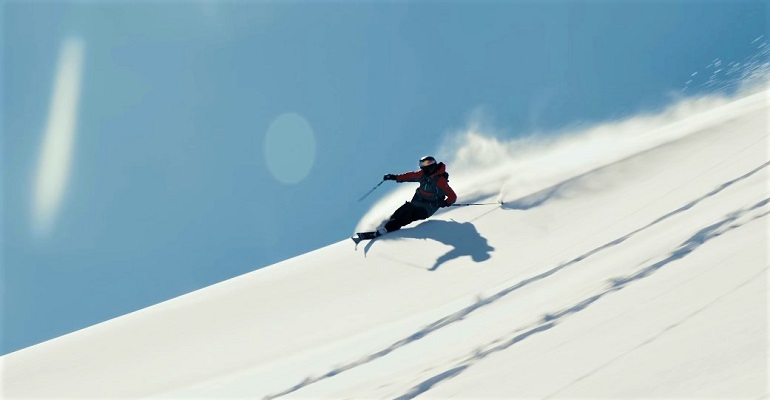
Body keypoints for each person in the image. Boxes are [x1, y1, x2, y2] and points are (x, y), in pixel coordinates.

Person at [377, 156, 457, 236]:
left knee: (408, 215)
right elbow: (410, 176)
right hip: (417, 201)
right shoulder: (422, 174)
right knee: (401, 211)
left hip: (428, 207)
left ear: (431, 164)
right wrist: (394, 177)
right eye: (421, 164)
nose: (422, 167)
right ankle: (387, 224)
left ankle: (388, 229)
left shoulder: (440, 180)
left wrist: (445, 202)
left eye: (425, 163)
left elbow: (452, 196)